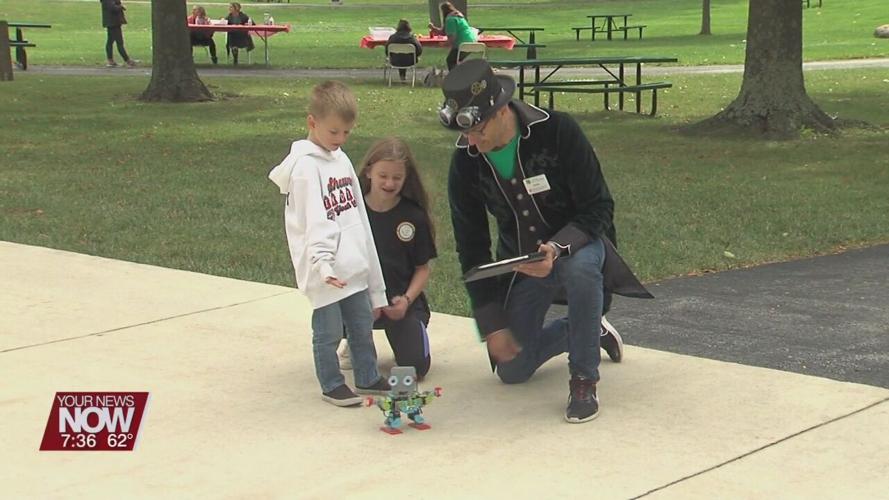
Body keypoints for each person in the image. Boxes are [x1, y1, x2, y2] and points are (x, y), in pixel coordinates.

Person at [436, 60, 652, 423]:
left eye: (478, 129)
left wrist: (556, 248)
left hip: (578, 247)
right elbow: (470, 247)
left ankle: (583, 378)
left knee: (582, 270)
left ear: (501, 109)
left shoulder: (559, 131)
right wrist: (492, 324)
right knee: (513, 371)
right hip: (520, 266)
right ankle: (587, 328)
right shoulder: (465, 162)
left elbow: (599, 207)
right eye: (466, 132)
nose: (471, 141)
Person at [268, 81, 391, 407]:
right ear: (312, 122)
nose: (340, 140)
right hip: (324, 270)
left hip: (351, 266)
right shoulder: (306, 168)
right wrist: (323, 265)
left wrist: (371, 277)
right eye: (334, 132)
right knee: (329, 332)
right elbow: (314, 223)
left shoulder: (341, 159)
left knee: (361, 325)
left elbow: (358, 216)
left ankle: (368, 377)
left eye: (347, 133)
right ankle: (331, 383)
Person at [340, 138, 437, 378]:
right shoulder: (350, 211)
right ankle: (352, 340)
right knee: (331, 310)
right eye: (383, 175)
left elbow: (422, 268)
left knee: (415, 369)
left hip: (398, 302)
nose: (389, 183)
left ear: (406, 178)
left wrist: (406, 300)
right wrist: (363, 301)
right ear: (369, 170)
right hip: (358, 298)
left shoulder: (413, 216)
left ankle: (408, 339)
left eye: (397, 177)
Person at [427, 1, 477, 71]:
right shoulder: (459, 17)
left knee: (451, 60)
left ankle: (455, 79)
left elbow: (452, 38)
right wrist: (433, 28)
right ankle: (463, 75)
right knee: (456, 60)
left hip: (462, 44)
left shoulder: (450, 20)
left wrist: (443, 44)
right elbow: (444, 32)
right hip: (472, 41)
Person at [100, 0, 136, 68]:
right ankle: (127, 60)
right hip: (113, 22)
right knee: (119, 42)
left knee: (110, 41)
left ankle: (110, 60)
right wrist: (121, 7)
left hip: (112, 22)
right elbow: (112, 7)